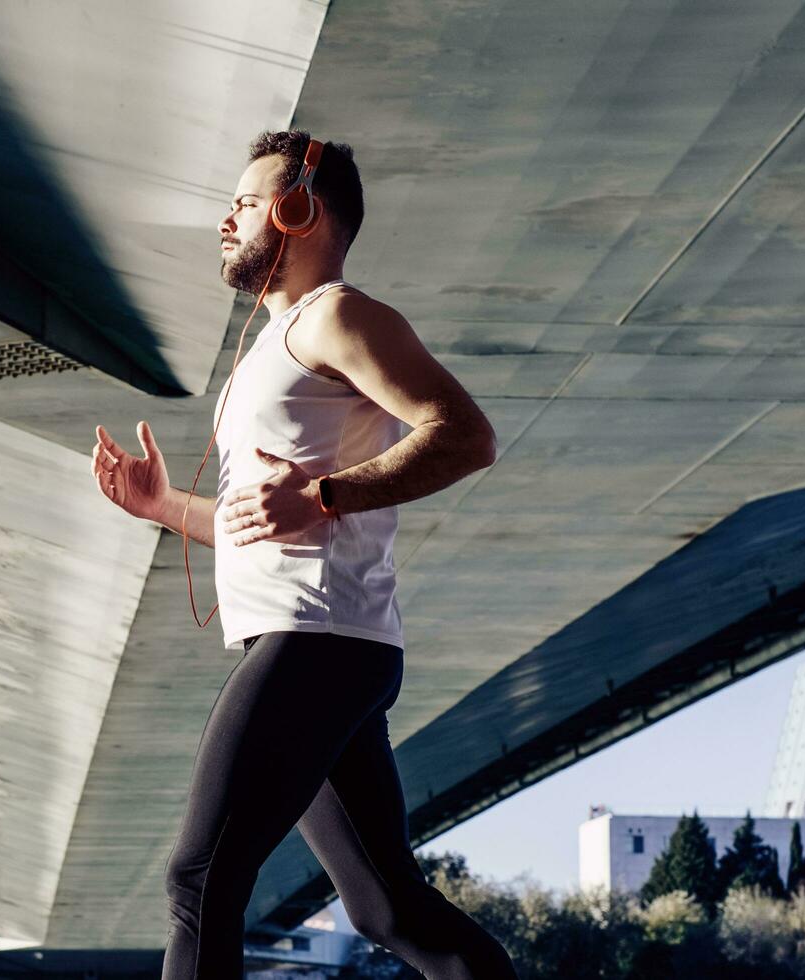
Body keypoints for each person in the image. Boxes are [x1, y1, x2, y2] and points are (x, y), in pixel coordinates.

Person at [90, 130, 519, 979]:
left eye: (245, 204)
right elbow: (263, 518)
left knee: (200, 880)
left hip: (317, 640)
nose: (226, 220)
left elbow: (467, 437)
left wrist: (326, 494)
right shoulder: (270, 344)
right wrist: (160, 505)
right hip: (327, 645)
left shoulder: (337, 316)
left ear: (298, 211)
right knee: (385, 908)